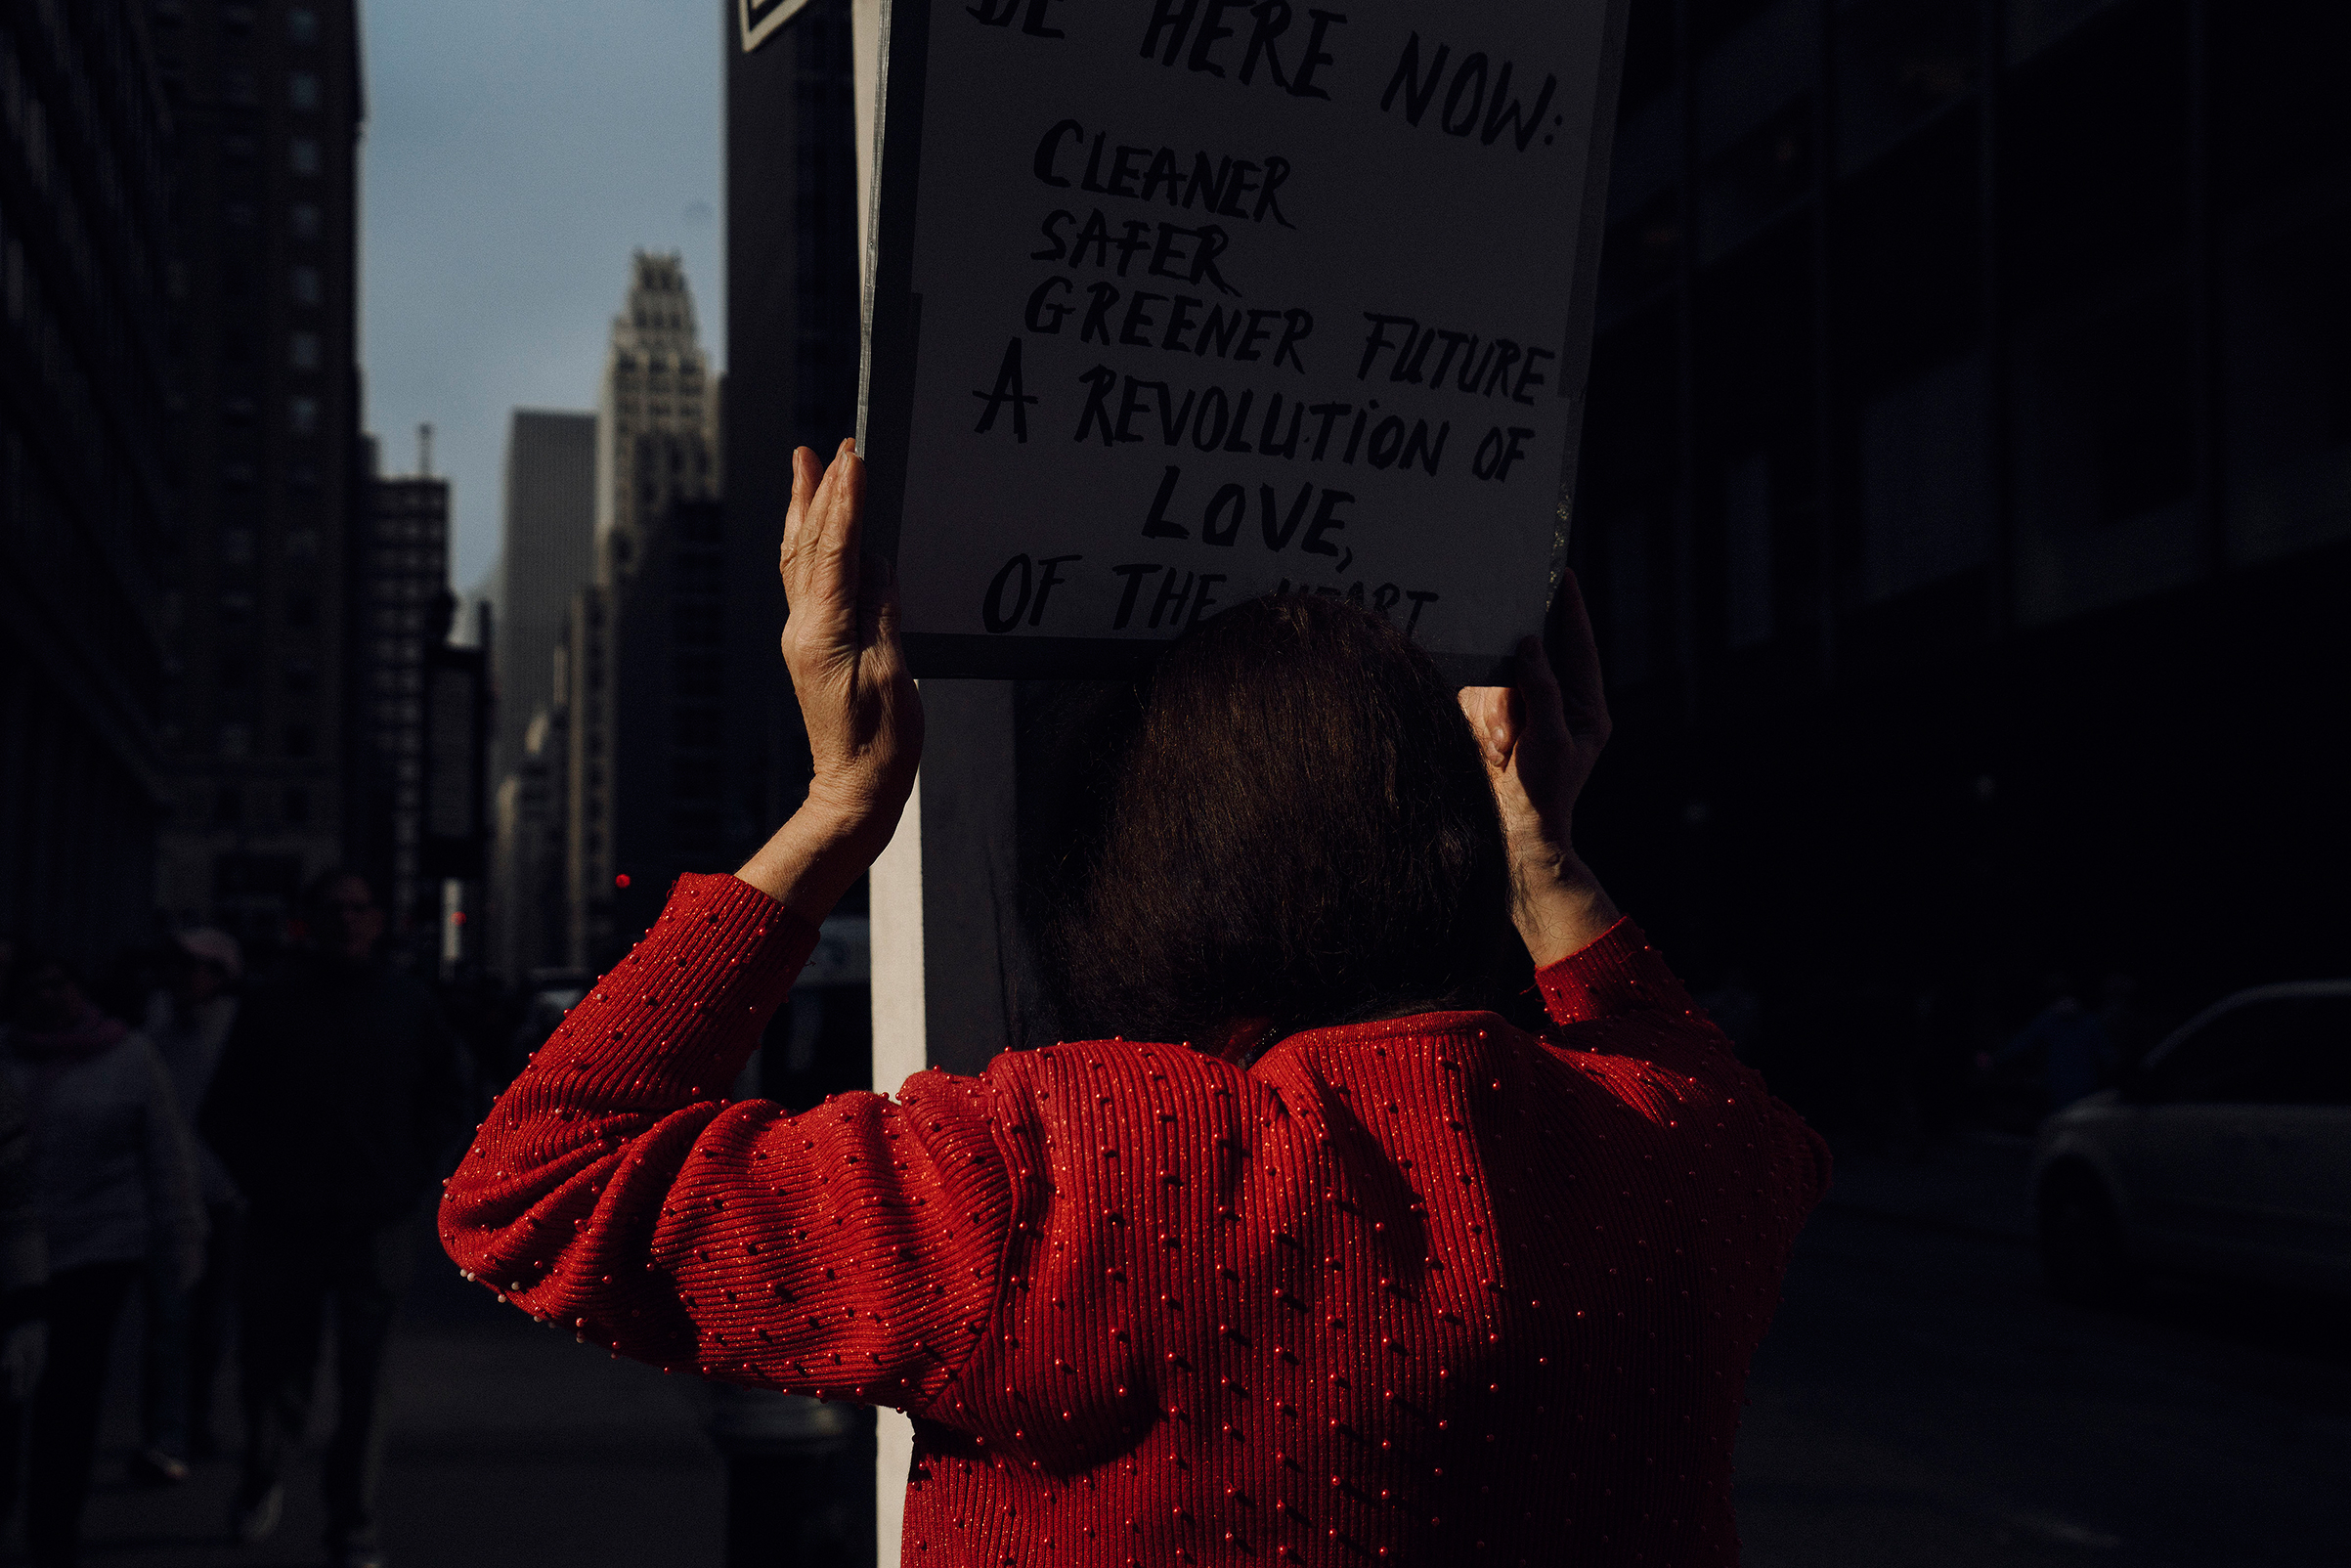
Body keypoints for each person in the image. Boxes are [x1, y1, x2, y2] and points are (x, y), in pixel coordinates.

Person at [440, 443, 1831, 1564]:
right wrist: (1546, 859)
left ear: (1145, 870)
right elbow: (1703, 1084)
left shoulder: (1077, 1169)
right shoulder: (1678, 1162)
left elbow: (533, 1187)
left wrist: (837, 806)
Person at [203, 874, 466, 1568]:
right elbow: (223, 1111)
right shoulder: (272, 1005)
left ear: (378, 921)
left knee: (364, 1379)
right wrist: (269, 1185)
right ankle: (262, 1474)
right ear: (307, 921)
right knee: (273, 1369)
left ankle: (353, 1522)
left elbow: (450, 1094)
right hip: (286, 1222)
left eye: (360, 908)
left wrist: (405, 1178)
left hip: (372, 1222)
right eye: (333, 909)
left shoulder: (407, 1003)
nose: (347, 921)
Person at [0, 952, 205, 1568]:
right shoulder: (8, 1056)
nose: (47, 996)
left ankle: (52, 1527)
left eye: (58, 982)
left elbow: (166, 1153)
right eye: (33, 985)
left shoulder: (126, 1056)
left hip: (97, 1245)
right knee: (12, 1389)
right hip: (13, 1250)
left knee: (70, 1386)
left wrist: (179, 1235)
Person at [135, 928, 246, 1480]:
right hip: (167, 1197)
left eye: (200, 969)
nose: (187, 979)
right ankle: (165, 1432)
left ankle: (193, 1420)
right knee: (168, 1318)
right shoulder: (154, 1029)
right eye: (180, 967)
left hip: (221, 1194)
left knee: (209, 1320)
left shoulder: (233, 1030)